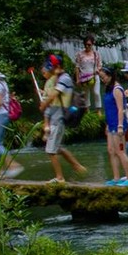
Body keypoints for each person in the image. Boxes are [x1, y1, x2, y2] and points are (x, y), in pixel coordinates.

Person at [37, 54, 86, 183]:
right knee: (56, 147)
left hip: (59, 118)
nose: (50, 70)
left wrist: (44, 103)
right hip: (55, 117)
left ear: (57, 66)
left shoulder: (64, 78)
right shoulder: (57, 79)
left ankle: (60, 178)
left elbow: (55, 94)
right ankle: (76, 165)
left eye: (51, 67)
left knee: (51, 151)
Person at [99, 65, 128, 186]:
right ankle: (116, 177)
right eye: (101, 78)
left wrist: (119, 126)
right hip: (111, 124)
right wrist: (107, 125)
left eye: (104, 77)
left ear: (110, 76)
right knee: (111, 150)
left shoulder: (117, 89)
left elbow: (120, 109)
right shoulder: (108, 88)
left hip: (118, 124)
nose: (103, 80)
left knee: (120, 151)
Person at [74, 35, 102, 113]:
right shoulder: (80, 54)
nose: (87, 46)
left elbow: (100, 65)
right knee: (86, 94)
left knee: (96, 93)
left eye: (89, 44)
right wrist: (77, 79)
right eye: (85, 44)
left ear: (92, 44)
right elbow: (77, 67)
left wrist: (97, 70)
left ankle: (98, 110)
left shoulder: (96, 54)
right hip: (84, 77)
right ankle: (87, 111)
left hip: (94, 76)